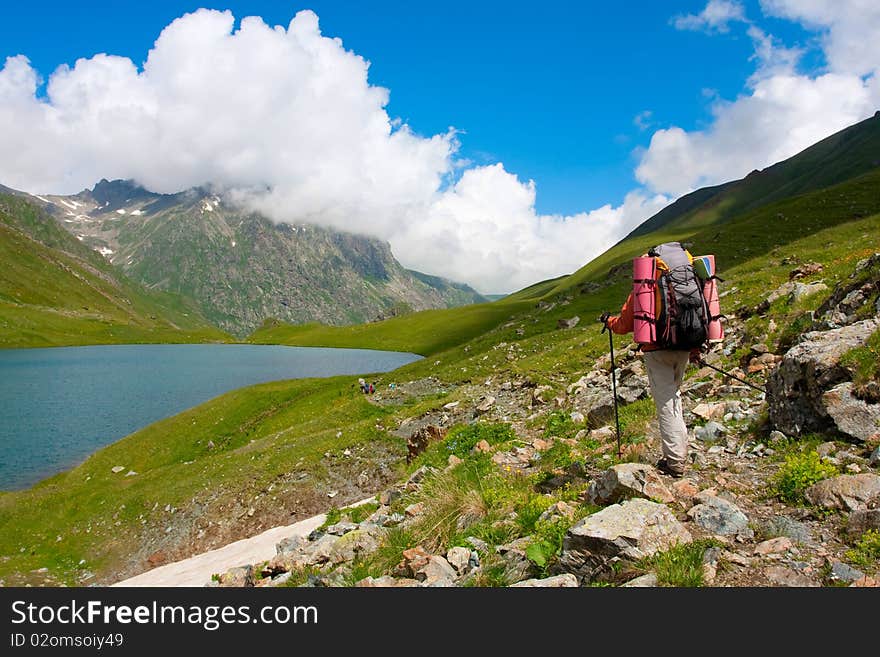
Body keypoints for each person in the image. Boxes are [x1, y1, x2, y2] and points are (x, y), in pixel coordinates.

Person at [600, 285, 700, 479]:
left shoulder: (647, 279)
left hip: (657, 349)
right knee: (674, 396)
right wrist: (695, 349)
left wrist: (609, 322)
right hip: (685, 344)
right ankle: (679, 451)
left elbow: (625, 323)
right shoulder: (686, 278)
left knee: (666, 401)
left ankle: (675, 461)